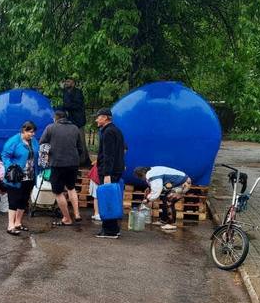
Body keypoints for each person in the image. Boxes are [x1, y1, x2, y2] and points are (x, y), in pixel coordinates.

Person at [39, 110, 84, 226]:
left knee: (58, 192)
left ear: (55, 118)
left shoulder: (50, 128)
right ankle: (77, 214)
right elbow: (80, 148)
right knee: (71, 188)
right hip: (73, 163)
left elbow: (42, 143)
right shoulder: (75, 128)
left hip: (57, 164)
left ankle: (67, 218)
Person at [1, 121, 39, 236]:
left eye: (33, 132)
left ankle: (18, 223)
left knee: (23, 199)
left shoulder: (33, 141)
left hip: (30, 176)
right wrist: (10, 167)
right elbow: (5, 155)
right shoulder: (14, 141)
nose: (32, 135)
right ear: (24, 130)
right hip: (16, 176)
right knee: (14, 200)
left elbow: (37, 153)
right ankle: (10, 225)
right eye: (30, 132)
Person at [94, 108, 126, 239]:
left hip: (110, 172)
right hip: (116, 169)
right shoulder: (116, 130)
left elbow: (109, 155)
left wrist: (107, 174)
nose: (96, 120)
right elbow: (122, 150)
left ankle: (109, 230)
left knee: (108, 198)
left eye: (98, 117)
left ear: (105, 118)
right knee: (112, 197)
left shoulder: (108, 132)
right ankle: (114, 228)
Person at [133, 166, 192, 231]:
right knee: (165, 199)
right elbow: (153, 186)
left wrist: (148, 199)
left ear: (141, 175)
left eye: (140, 178)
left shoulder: (152, 175)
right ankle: (163, 220)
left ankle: (171, 223)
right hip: (177, 184)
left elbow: (156, 190)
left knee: (169, 200)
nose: (141, 179)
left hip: (183, 183)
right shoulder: (151, 171)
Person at [61, 78, 91, 166]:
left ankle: (83, 160)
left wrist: (66, 106)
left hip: (78, 120)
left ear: (73, 83)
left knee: (81, 141)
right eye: (66, 81)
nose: (66, 83)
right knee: (70, 140)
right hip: (69, 120)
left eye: (69, 81)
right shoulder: (64, 92)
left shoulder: (78, 92)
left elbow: (77, 105)